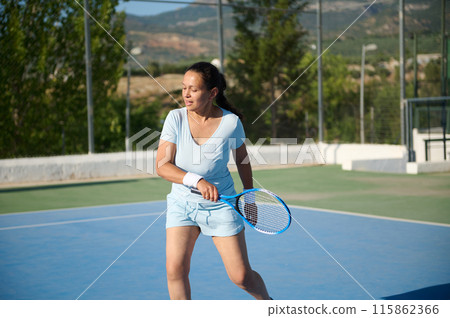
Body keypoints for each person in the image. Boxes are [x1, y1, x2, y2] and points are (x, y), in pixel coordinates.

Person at [155, 61, 270, 300]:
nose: (186, 94)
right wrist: (196, 181)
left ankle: (268, 304)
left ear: (212, 93)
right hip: (182, 204)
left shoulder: (230, 123)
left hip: (222, 205)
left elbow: (242, 160)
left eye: (193, 89)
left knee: (241, 277)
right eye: (183, 87)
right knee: (175, 269)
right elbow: (162, 166)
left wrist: (249, 197)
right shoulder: (175, 118)